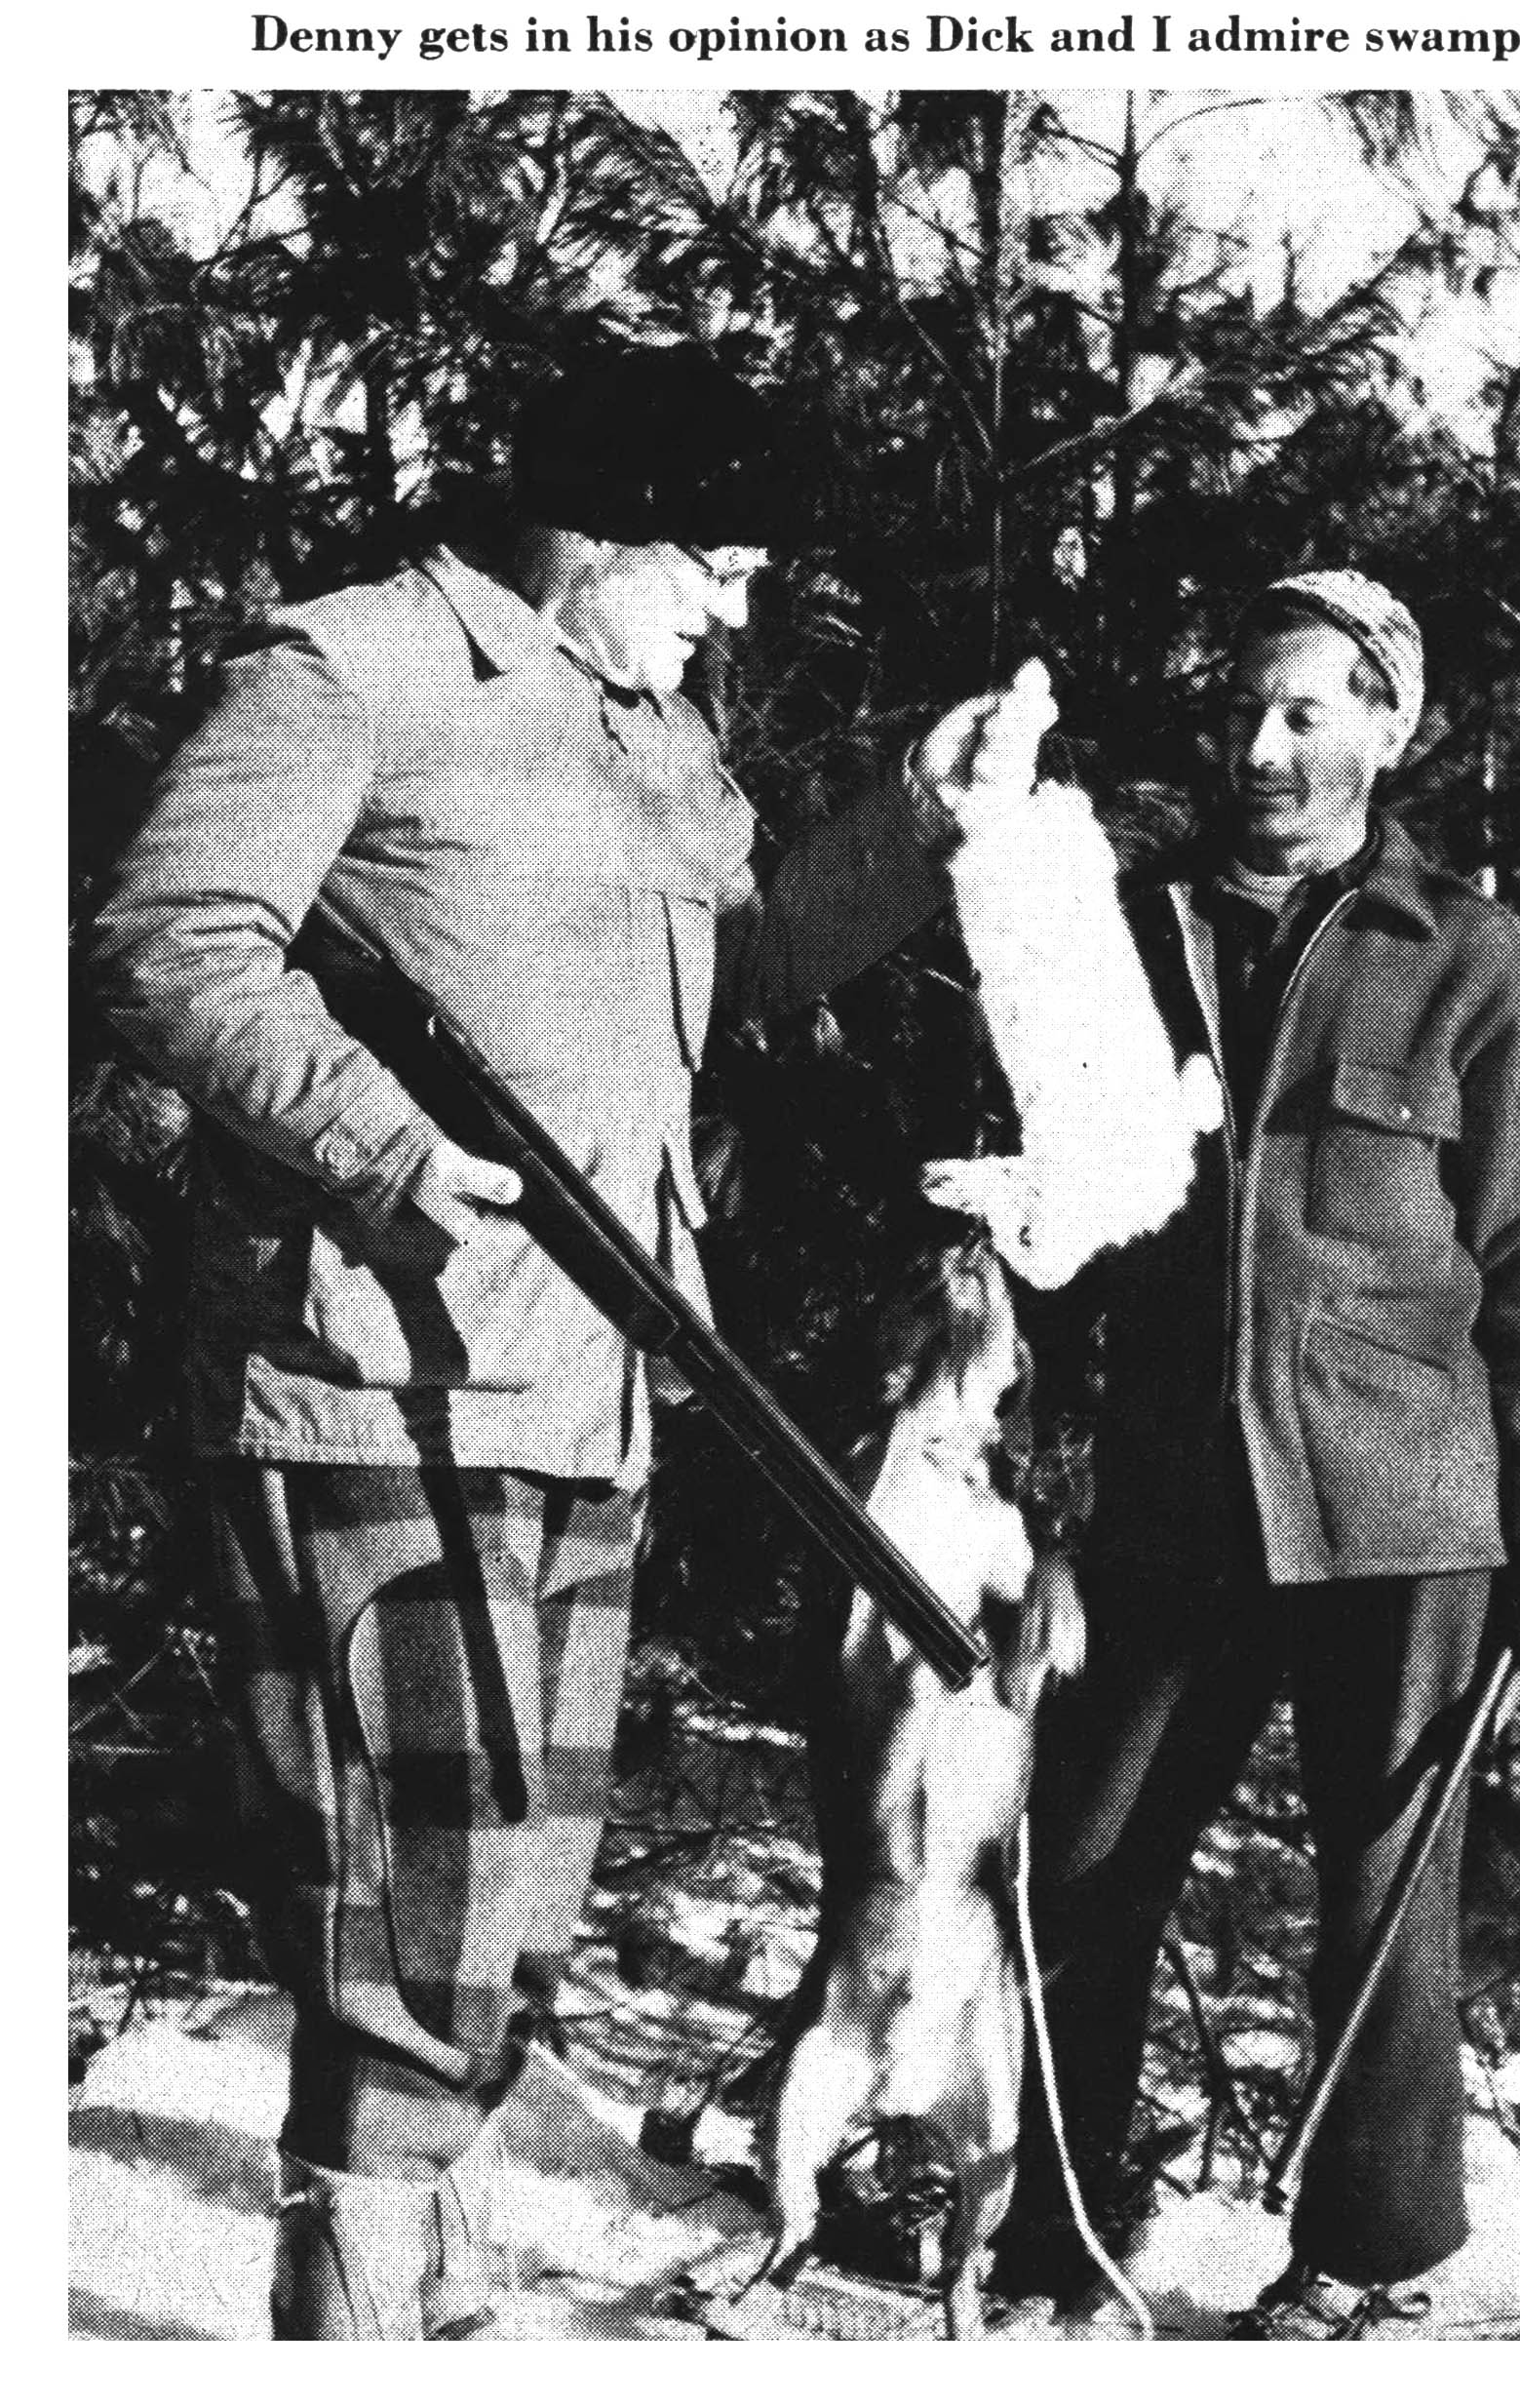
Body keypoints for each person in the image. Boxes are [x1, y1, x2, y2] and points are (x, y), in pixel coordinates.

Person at [85, 346, 1043, 2340]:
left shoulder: (653, 737)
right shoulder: (350, 670)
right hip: (368, 1376)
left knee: (503, 1937)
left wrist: (908, 828)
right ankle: (354, 2327)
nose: (738, 602)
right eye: (715, 557)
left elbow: (738, 969)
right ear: (594, 529)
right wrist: (383, 1152)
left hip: (591, 1386)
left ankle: (422, 2319)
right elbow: (169, 940)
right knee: (402, 1923)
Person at [989, 570, 1520, 2337]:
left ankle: (1366, 2256)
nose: (1261, 748)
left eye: (1304, 712)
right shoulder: (1124, 934)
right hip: (1174, 1497)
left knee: (1382, 1893)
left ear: (1383, 726)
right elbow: (1050, 1220)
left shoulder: (1472, 966)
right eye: (1240, 711)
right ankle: (1059, 2224)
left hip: (1403, 1503)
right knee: (1083, 1861)